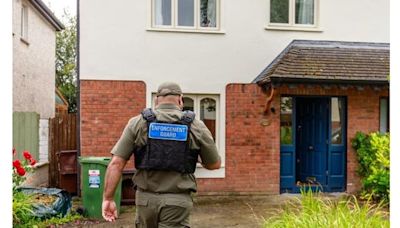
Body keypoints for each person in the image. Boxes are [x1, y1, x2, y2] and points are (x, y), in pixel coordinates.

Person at [102, 82, 221, 228]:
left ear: (157, 100)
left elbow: (116, 163)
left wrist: (108, 198)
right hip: (177, 202)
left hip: (145, 201)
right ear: (180, 100)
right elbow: (214, 164)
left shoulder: (137, 123)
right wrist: (199, 159)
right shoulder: (197, 126)